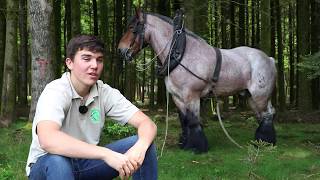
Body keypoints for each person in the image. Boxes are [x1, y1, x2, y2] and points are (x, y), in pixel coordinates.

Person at [26, 35, 158, 180]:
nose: (94, 65)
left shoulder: (105, 92)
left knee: (143, 143)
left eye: (99, 60)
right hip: (47, 166)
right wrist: (106, 154)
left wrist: (140, 147)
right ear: (69, 63)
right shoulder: (56, 90)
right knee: (57, 161)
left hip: (86, 164)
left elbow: (147, 124)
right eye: (87, 58)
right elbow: (48, 139)